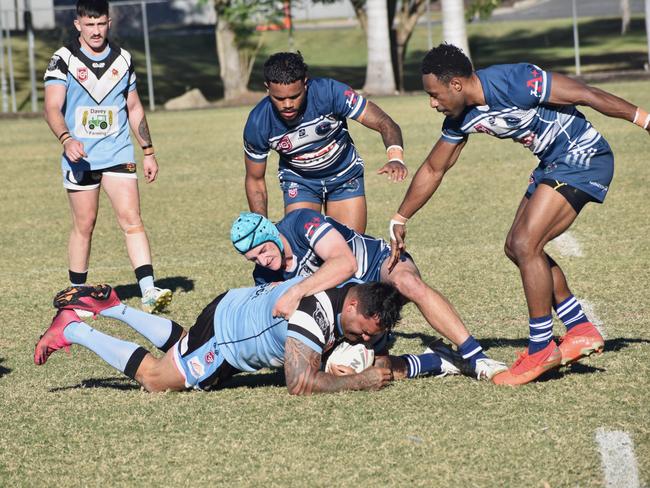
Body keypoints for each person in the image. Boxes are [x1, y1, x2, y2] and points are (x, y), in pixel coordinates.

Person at [388, 43, 650, 385]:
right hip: (552, 165)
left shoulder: (514, 80)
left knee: (527, 244)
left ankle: (541, 348)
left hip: (582, 156)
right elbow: (435, 169)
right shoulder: (461, 115)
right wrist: (400, 217)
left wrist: (645, 120)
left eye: (434, 94)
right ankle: (581, 329)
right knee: (516, 246)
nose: (432, 103)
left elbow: (585, 93)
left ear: (456, 85)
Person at [230, 210, 507, 381]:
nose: (263, 261)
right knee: (348, 367)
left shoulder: (301, 222)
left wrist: (296, 291)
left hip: (376, 267)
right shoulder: (264, 276)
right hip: (351, 312)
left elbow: (345, 263)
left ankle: (476, 356)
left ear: (272, 234)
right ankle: (439, 361)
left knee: (406, 283)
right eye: (253, 258)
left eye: (264, 250)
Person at [34, 281, 434, 393]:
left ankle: (113, 307)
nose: (364, 341)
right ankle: (74, 328)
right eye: (363, 332)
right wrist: (358, 379)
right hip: (227, 339)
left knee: (183, 343)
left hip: (234, 306)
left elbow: (371, 346)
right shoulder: (313, 316)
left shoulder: (351, 292)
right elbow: (299, 383)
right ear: (352, 308)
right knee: (157, 379)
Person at [43, 0, 171, 313]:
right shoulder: (63, 60)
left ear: (109, 22)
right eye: (89, 25)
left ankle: (149, 290)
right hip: (80, 157)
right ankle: (77, 296)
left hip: (117, 152)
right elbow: (51, 108)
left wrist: (149, 151)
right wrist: (66, 138)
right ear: (78, 24)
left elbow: (134, 107)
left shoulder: (123, 59)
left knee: (132, 220)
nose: (96, 31)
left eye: (101, 24)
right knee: (84, 224)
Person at [243, 51, 407, 234]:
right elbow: (255, 179)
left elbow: (384, 122)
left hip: (344, 175)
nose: (287, 104)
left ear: (305, 83)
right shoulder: (258, 122)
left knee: (350, 247)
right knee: (302, 251)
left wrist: (395, 158)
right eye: (279, 98)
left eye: (295, 96)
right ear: (267, 88)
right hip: (300, 182)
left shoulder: (330, 92)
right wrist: (262, 228)